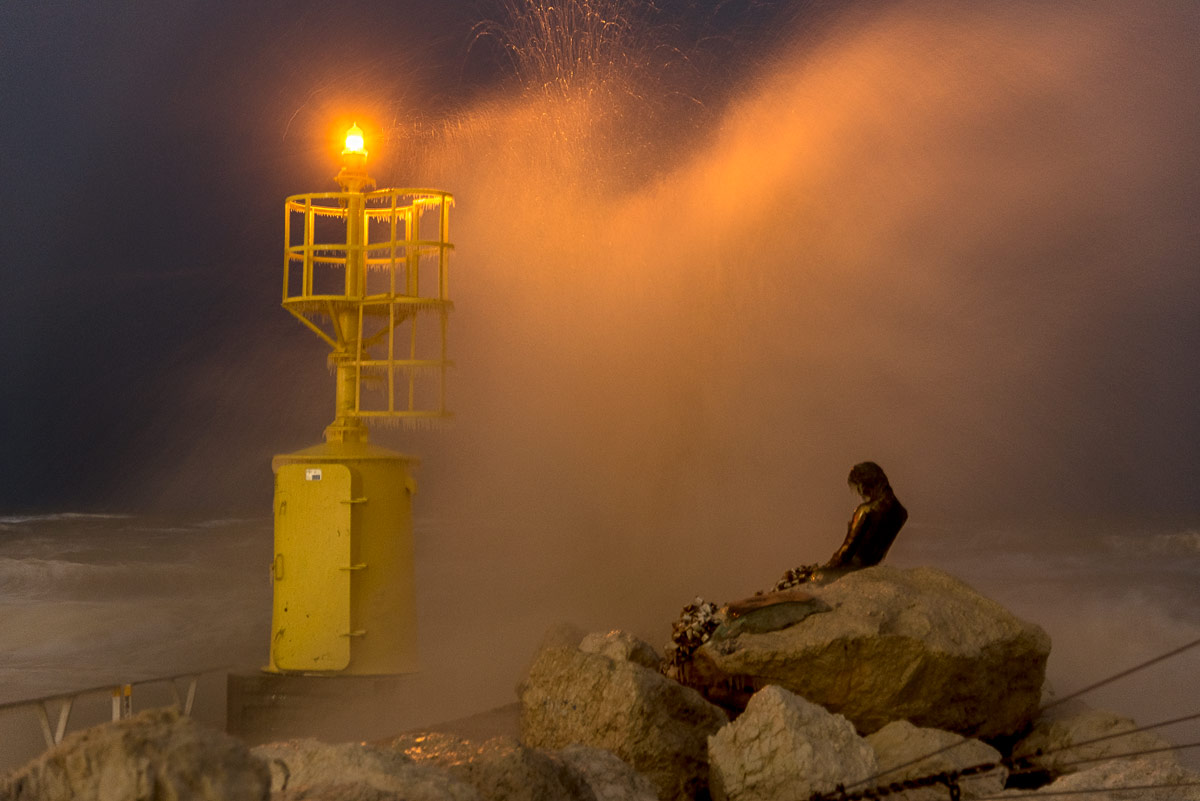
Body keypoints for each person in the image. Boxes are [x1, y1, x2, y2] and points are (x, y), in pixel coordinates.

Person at [826, 461, 907, 569]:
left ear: (866, 483)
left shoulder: (866, 511)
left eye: (858, 486)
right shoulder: (901, 512)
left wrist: (824, 568)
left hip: (852, 567)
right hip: (873, 566)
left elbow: (845, 553)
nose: (860, 492)